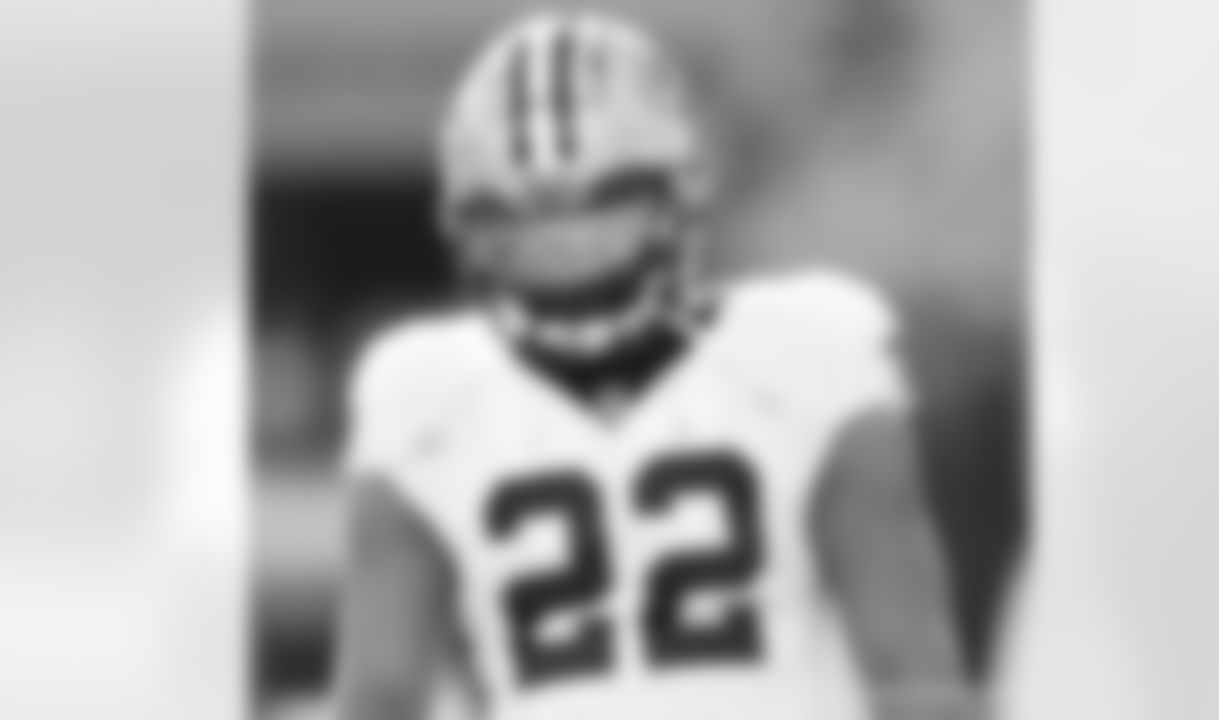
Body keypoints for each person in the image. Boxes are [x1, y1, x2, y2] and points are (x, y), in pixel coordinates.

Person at [334, 9, 981, 720]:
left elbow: (912, 673)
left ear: (677, 198)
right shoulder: (427, 392)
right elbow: (381, 694)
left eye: (598, 220)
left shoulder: (811, 353)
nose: (569, 257)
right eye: (529, 229)